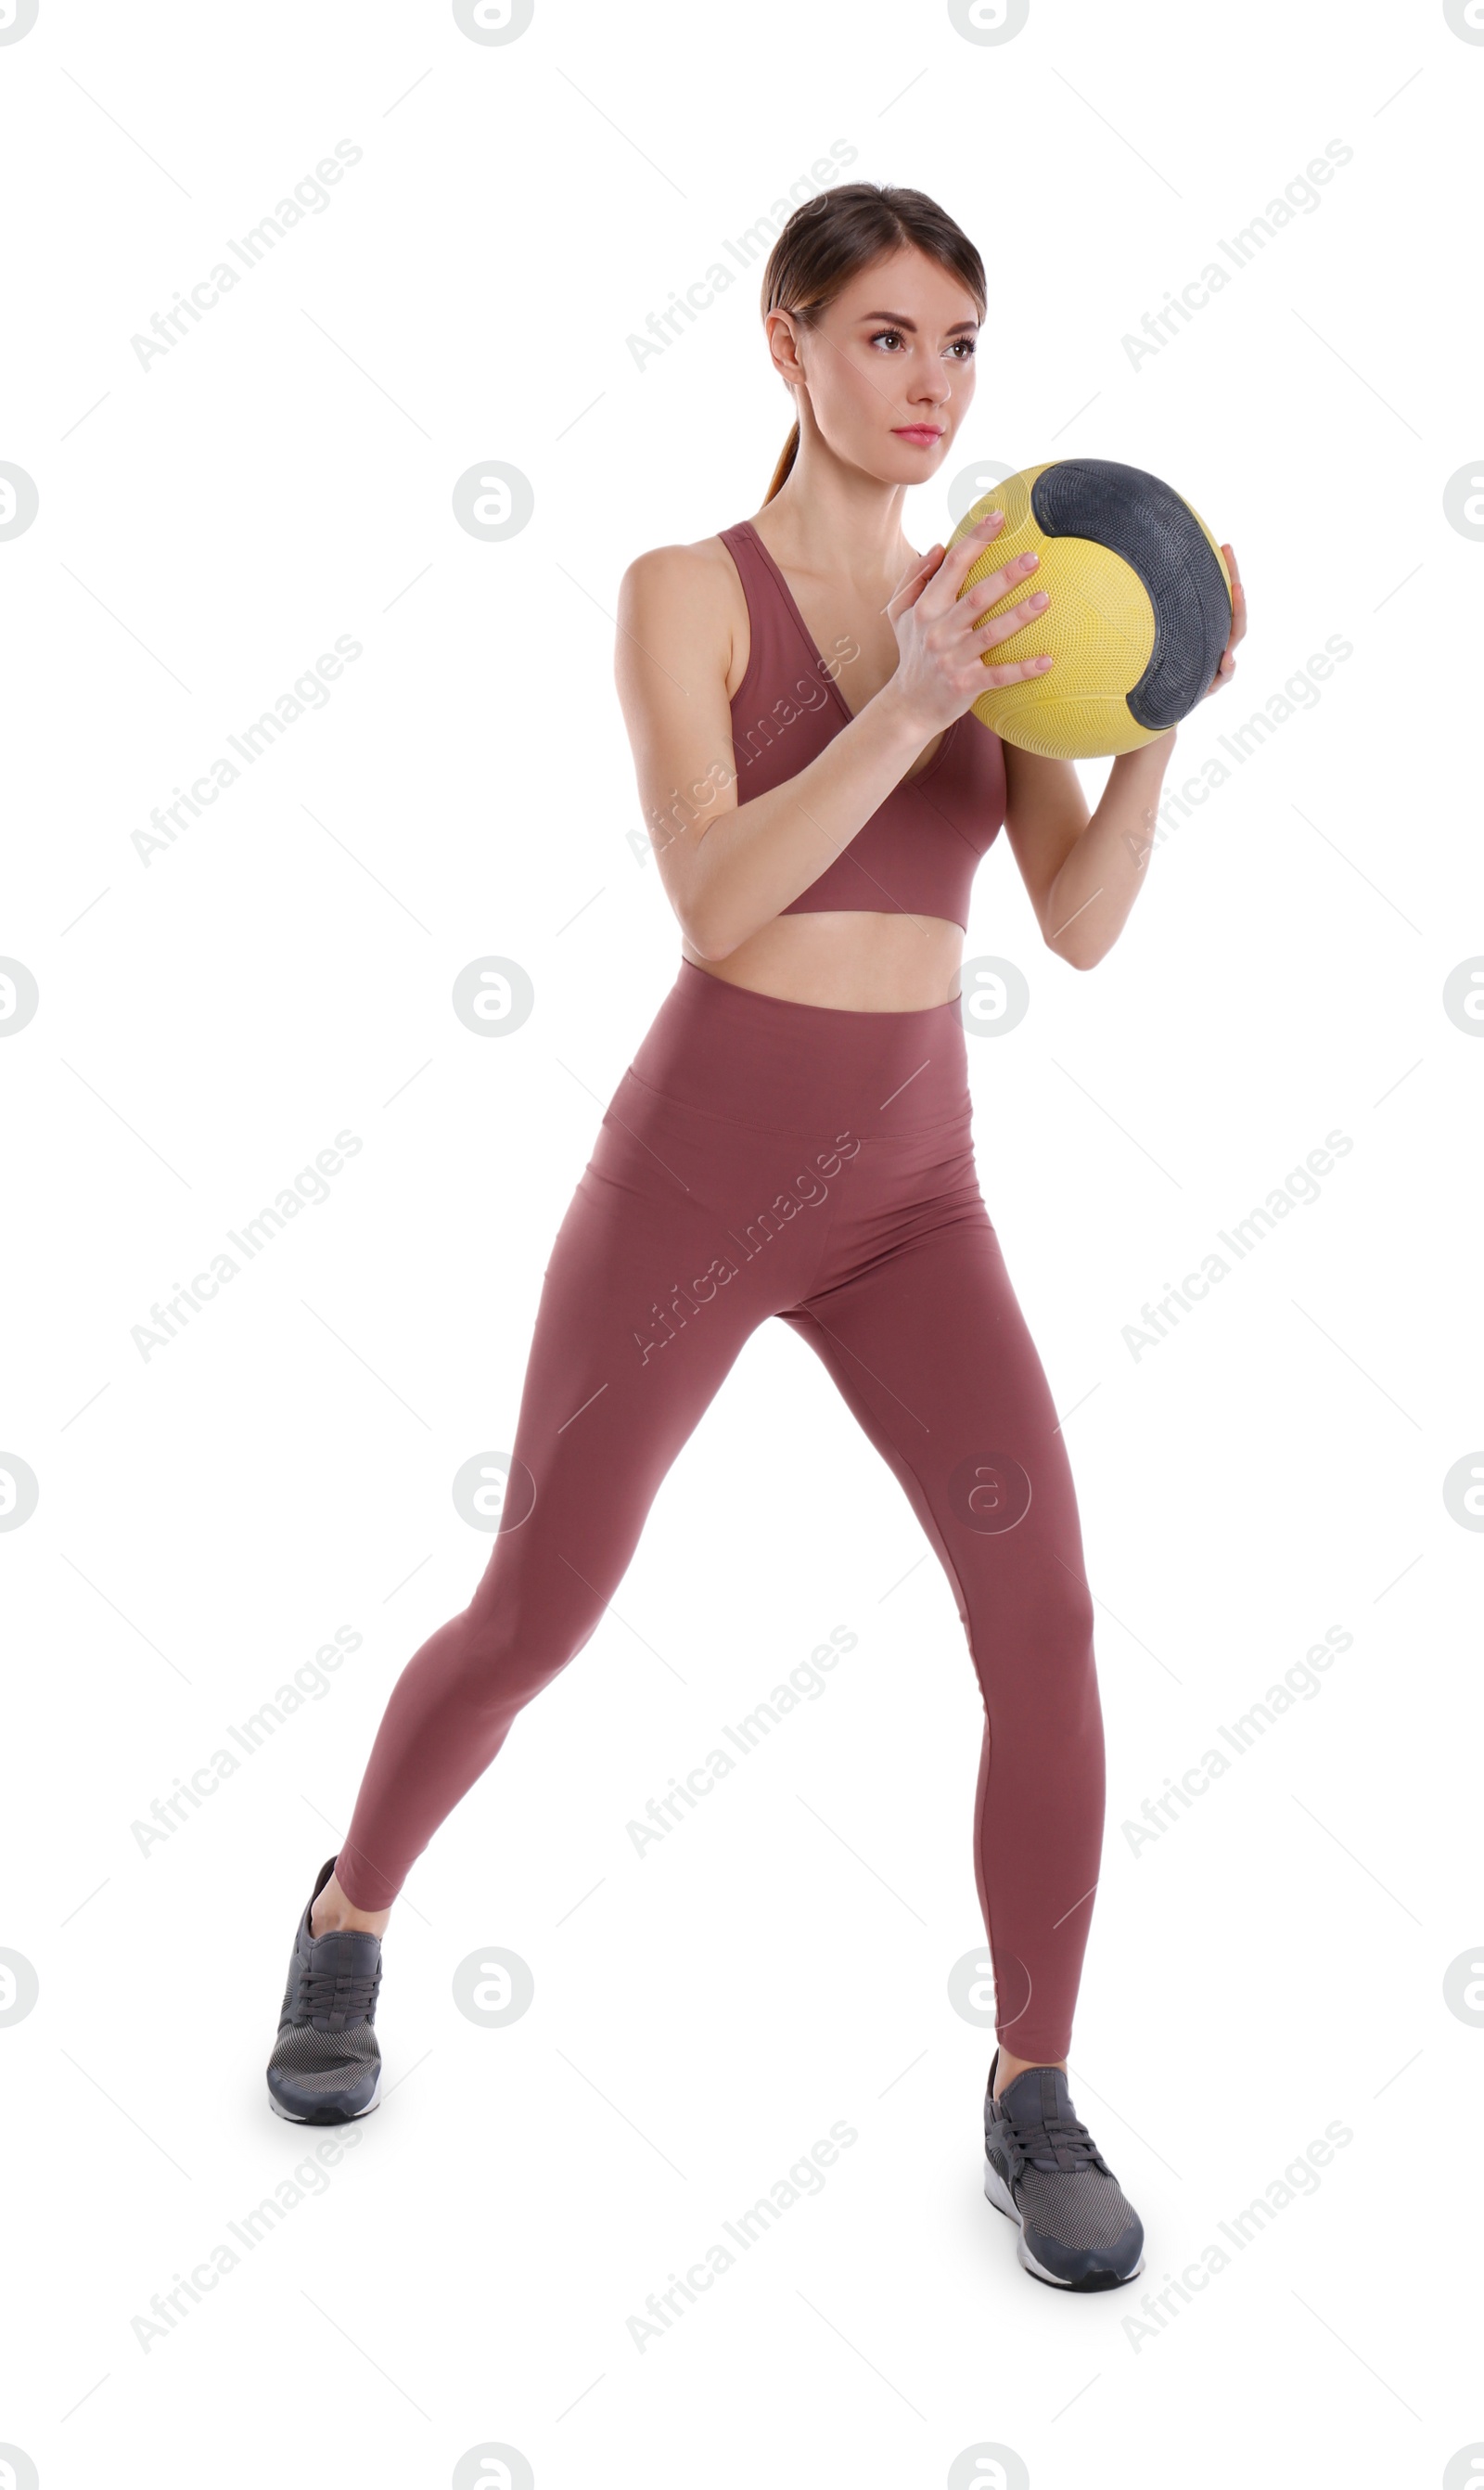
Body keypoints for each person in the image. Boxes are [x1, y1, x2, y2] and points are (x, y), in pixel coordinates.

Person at [264, 182, 1244, 2293]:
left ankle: (1033, 2081)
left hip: (911, 1199)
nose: (931, 386)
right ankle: (348, 1914)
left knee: (1044, 1620)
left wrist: (1158, 702)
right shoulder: (679, 594)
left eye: (961, 345)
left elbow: (1070, 929)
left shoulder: (1015, 607)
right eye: (886, 337)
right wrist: (904, 694)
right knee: (536, 1607)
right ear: (783, 345)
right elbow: (715, 898)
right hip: (697, 1181)